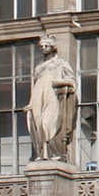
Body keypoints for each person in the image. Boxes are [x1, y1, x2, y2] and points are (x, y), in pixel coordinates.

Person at [25, 32, 79, 163]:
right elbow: (36, 85)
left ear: (53, 47)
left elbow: (71, 81)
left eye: (46, 46)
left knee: (48, 122)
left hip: (52, 94)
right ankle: (42, 152)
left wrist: (58, 82)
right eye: (42, 46)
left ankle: (55, 151)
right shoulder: (38, 68)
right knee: (36, 123)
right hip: (38, 95)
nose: (43, 48)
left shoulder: (61, 63)